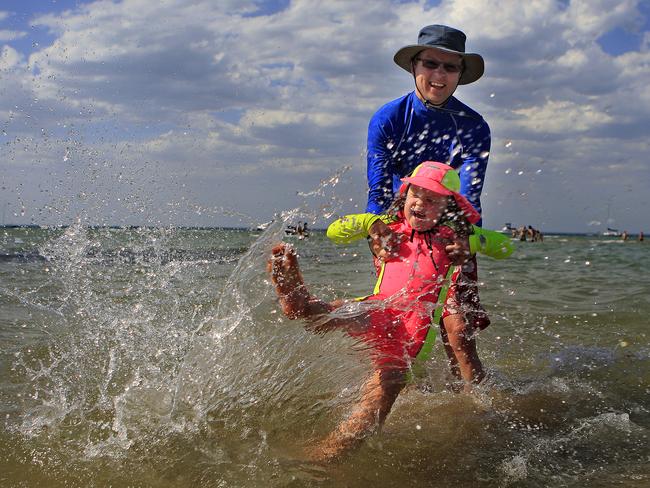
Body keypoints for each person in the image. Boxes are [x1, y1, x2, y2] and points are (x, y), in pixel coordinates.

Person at [268, 162, 513, 461]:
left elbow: (505, 246)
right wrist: (369, 223)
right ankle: (297, 300)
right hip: (379, 306)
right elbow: (335, 231)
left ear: (449, 208)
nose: (420, 203)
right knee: (325, 316)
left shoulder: (454, 238)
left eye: (432, 199)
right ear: (405, 194)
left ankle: (336, 447)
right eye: (415, 194)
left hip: (414, 327)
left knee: (389, 383)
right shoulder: (389, 226)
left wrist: (471, 242)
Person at [365, 24, 492, 385]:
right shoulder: (389, 118)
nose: (439, 75)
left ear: (460, 74)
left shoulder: (474, 126)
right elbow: (377, 187)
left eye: (450, 68)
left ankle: (476, 412)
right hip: (399, 227)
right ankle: (396, 399)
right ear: (414, 67)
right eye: (431, 64)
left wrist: (466, 240)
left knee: (459, 334)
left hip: (453, 230)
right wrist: (377, 228)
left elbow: (470, 194)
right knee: (399, 329)